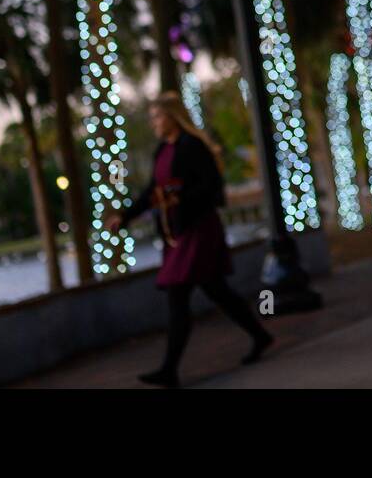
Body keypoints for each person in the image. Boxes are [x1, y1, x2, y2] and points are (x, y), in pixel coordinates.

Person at [108, 92, 273, 387]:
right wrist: (125, 216)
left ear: (173, 116)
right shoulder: (162, 150)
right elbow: (151, 191)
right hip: (178, 233)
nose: (154, 123)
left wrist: (180, 197)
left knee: (179, 294)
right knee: (216, 290)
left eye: (157, 116)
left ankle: (169, 369)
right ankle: (260, 335)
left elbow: (212, 188)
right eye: (152, 118)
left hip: (197, 229)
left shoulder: (191, 146)